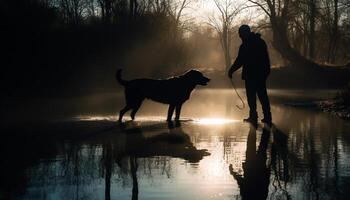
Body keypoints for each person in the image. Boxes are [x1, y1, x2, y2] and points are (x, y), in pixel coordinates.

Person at [228, 24, 272, 125]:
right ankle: (265, 117)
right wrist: (266, 72)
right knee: (260, 96)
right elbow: (266, 60)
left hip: (254, 74)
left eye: (240, 33)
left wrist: (231, 70)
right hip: (258, 74)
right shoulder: (260, 42)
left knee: (254, 96)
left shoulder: (246, 45)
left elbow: (240, 61)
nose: (239, 36)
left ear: (245, 33)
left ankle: (256, 117)